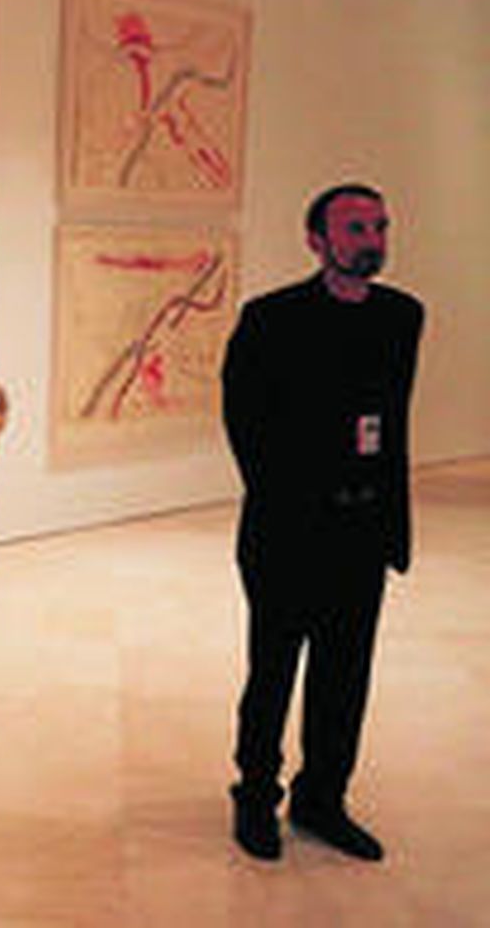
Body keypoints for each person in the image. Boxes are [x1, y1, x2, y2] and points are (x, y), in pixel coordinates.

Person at [222, 183, 424, 862]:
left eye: (380, 227)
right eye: (356, 228)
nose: (372, 241)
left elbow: (391, 423)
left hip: (361, 531)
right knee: (273, 671)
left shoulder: (402, 317)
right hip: (287, 530)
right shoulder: (270, 318)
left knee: (345, 674)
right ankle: (255, 796)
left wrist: (387, 520)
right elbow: (243, 420)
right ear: (316, 240)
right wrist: (286, 498)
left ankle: (322, 799)